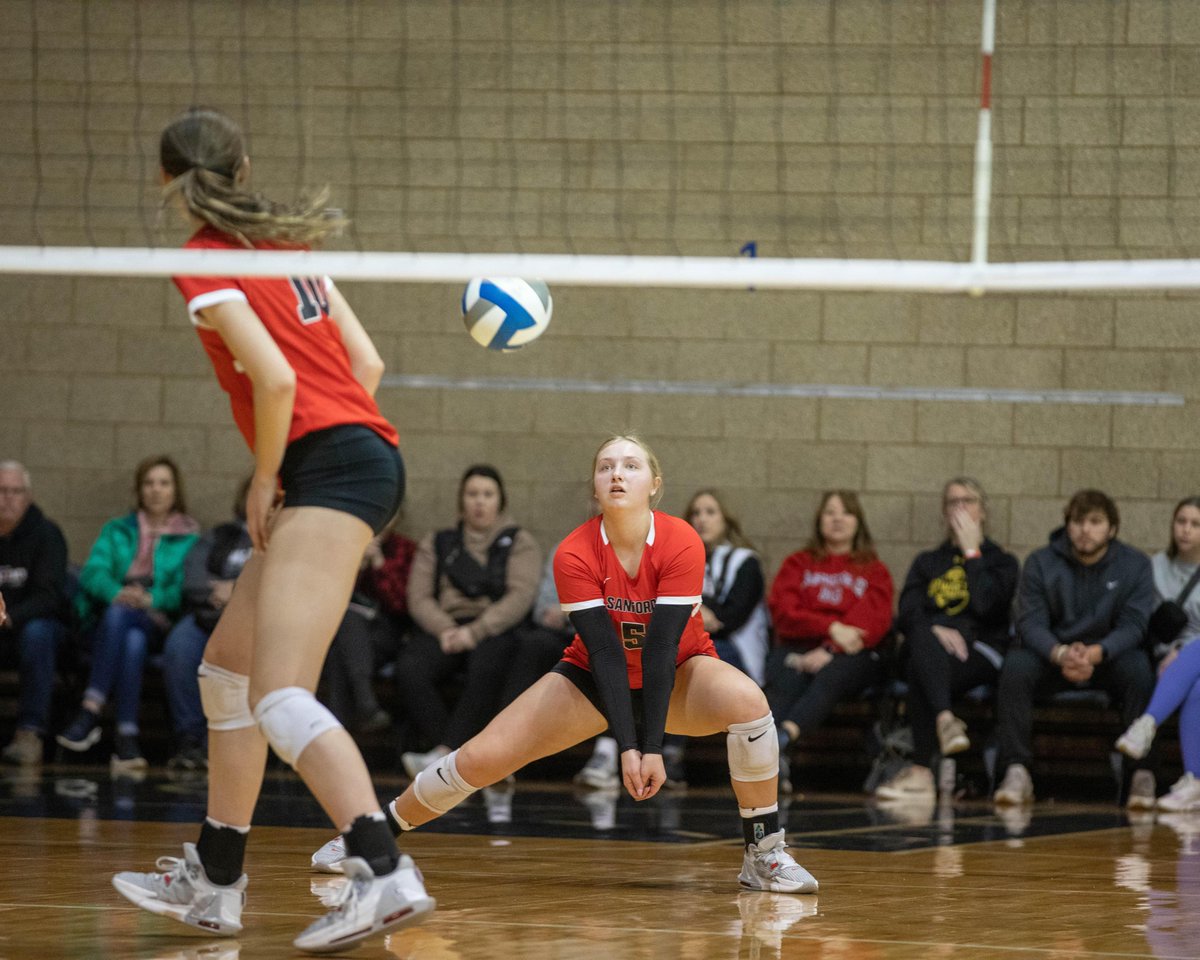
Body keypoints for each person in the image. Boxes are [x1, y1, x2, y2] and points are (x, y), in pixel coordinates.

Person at [109, 108, 434, 953]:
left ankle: (383, 870)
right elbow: (366, 367)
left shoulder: (201, 260)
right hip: (351, 457)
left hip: (328, 467)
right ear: (243, 170)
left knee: (279, 693)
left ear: (165, 181)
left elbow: (278, 377)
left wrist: (267, 478)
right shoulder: (290, 251)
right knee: (227, 672)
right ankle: (216, 880)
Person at [311, 434, 818, 895]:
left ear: (654, 485)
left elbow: (661, 648)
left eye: (631, 465)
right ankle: (369, 838)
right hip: (592, 679)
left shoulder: (680, 539)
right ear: (594, 487)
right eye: (605, 467)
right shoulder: (575, 551)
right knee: (480, 758)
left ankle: (763, 851)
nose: (617, 474)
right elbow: (603, 653)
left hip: (680, 670)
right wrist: (627, 747)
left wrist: (653, 747)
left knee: (750, 703)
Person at [993, 489, 1156, 808]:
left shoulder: (1135, 564)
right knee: (1015, 666)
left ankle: (1141, 774)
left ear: (1111, 529)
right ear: (1067, 526)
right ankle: (1017, 769)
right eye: (1078, 521)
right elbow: (1030, 623)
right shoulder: (1041, 562)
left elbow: (1134, 626)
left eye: (1095, 522)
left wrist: (1095, 653)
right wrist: (1061, 653)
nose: (1085, 529)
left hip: (1108, 658)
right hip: (1054, 657)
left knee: (1140, 670)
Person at [875, 477, 1019, 800]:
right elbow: (907, 613)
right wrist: (936, 629)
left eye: (967, 501)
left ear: (983, 511)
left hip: (979, 651)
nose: (960, 508)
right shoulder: (928, 561)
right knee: (920, 649)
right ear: (943, 513)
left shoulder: (1002, 562)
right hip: (934, 653)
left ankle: (922, 772)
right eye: (952, 502)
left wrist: (972, 553)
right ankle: (945, 721)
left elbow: (986, 606)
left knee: (919, 659)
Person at [396, 464, 541, 779]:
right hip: (444, 627)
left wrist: (475, 632)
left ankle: (445, 753)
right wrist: (446, 629)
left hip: (493, 629)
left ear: (500, 501)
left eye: (487, 495)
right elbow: (418, 597)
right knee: (410, 668)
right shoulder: (438, 542)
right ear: (461, 500)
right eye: (472, 494)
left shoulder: (519, 541)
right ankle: (451, 754)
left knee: (489, 666)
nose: (479, 502)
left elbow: (519, 597)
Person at [58, 455, 199, 772]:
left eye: (163, 483)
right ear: (139, 490)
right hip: (110, 618)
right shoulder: (117, 529)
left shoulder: (189, 537)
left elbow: (185, 590)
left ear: (175, 490)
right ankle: (126, 739)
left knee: (128, 624)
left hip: (158, 621)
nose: (156, 490)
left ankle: (90, 709)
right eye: (148, 483)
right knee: (129, 636)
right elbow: (93, 573)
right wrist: (116, 592)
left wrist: (151, 598)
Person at [765, 490, 894, 793]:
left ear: (857, 522)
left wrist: (830, 648)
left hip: (852, 655)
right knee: (784, 672)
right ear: (819, 521)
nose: (837, 519)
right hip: (799, 646)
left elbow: (872, 624)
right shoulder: (798, 564)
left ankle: (780, 739)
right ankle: (772, 766)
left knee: (833, 672)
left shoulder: (873, 569)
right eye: (830, 512)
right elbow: (784, 613)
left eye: (845, 512)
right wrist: (831, 627)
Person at [162, 477, 254, 773]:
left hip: (257, 623)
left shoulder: (285, 539)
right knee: (179, 644)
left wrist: (236, 591)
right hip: (209, 615)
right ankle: (190, 739)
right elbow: (193, 579)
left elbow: (284, 588)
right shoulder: (222, 534)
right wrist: (220, 592)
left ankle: (235, 745)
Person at [1115, 496, 1200, 811]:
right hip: (1166, 659)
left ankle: (1147, 723)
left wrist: (1182, 649)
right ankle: (1195, 780)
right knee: (1197, 688)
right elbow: (1140, 618)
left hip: (1192, 652)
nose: (1186, 530)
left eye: (1195, 524)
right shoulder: (1154, 567)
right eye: (1181, 522)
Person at [0, 460, 70, 766]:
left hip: (34, 628)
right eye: (1, 491)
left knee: (38, 633)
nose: (8, 498)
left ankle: (30, 733)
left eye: (15, 491)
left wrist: (9, 617)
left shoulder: (46, 534)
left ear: (28, 497)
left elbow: (49, 596)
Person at [320, 518, 416, 731]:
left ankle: (334, 732)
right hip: (348, 632)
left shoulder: (404, 548)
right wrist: (357, 565)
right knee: (346, 628)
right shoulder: (345, 545)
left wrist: (379, 564)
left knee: (341, 650)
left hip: (388, 631)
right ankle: (365, 703)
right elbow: (326, 597)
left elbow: (403, 604)